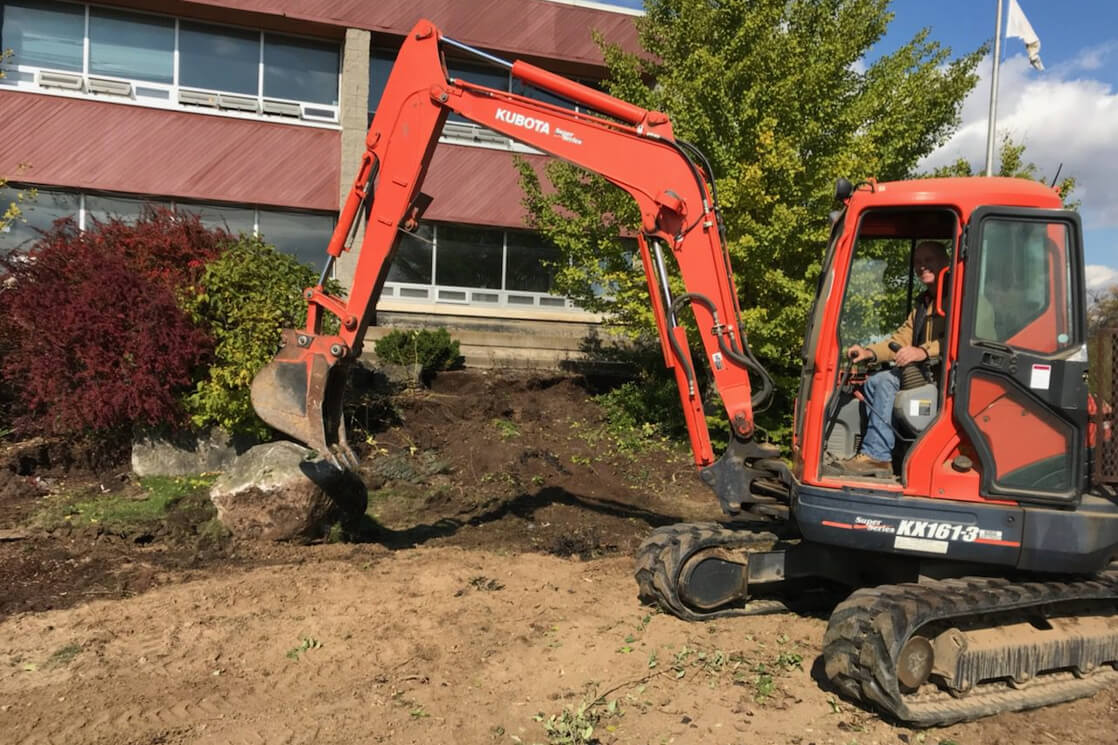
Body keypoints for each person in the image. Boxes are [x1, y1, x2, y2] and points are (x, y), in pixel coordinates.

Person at [840, 240, 950, 475]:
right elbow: (901, 339)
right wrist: (869, 352)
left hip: (949, 382)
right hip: (925, 378)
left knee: (887, 381)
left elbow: (963, 338)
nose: (922, 266)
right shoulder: (924, 304)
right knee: (874, 381)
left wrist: (923, 351)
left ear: (945, 262)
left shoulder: (963, 300)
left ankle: (877, 456)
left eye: (928, 260)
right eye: (918, 262)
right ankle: (883, 453)